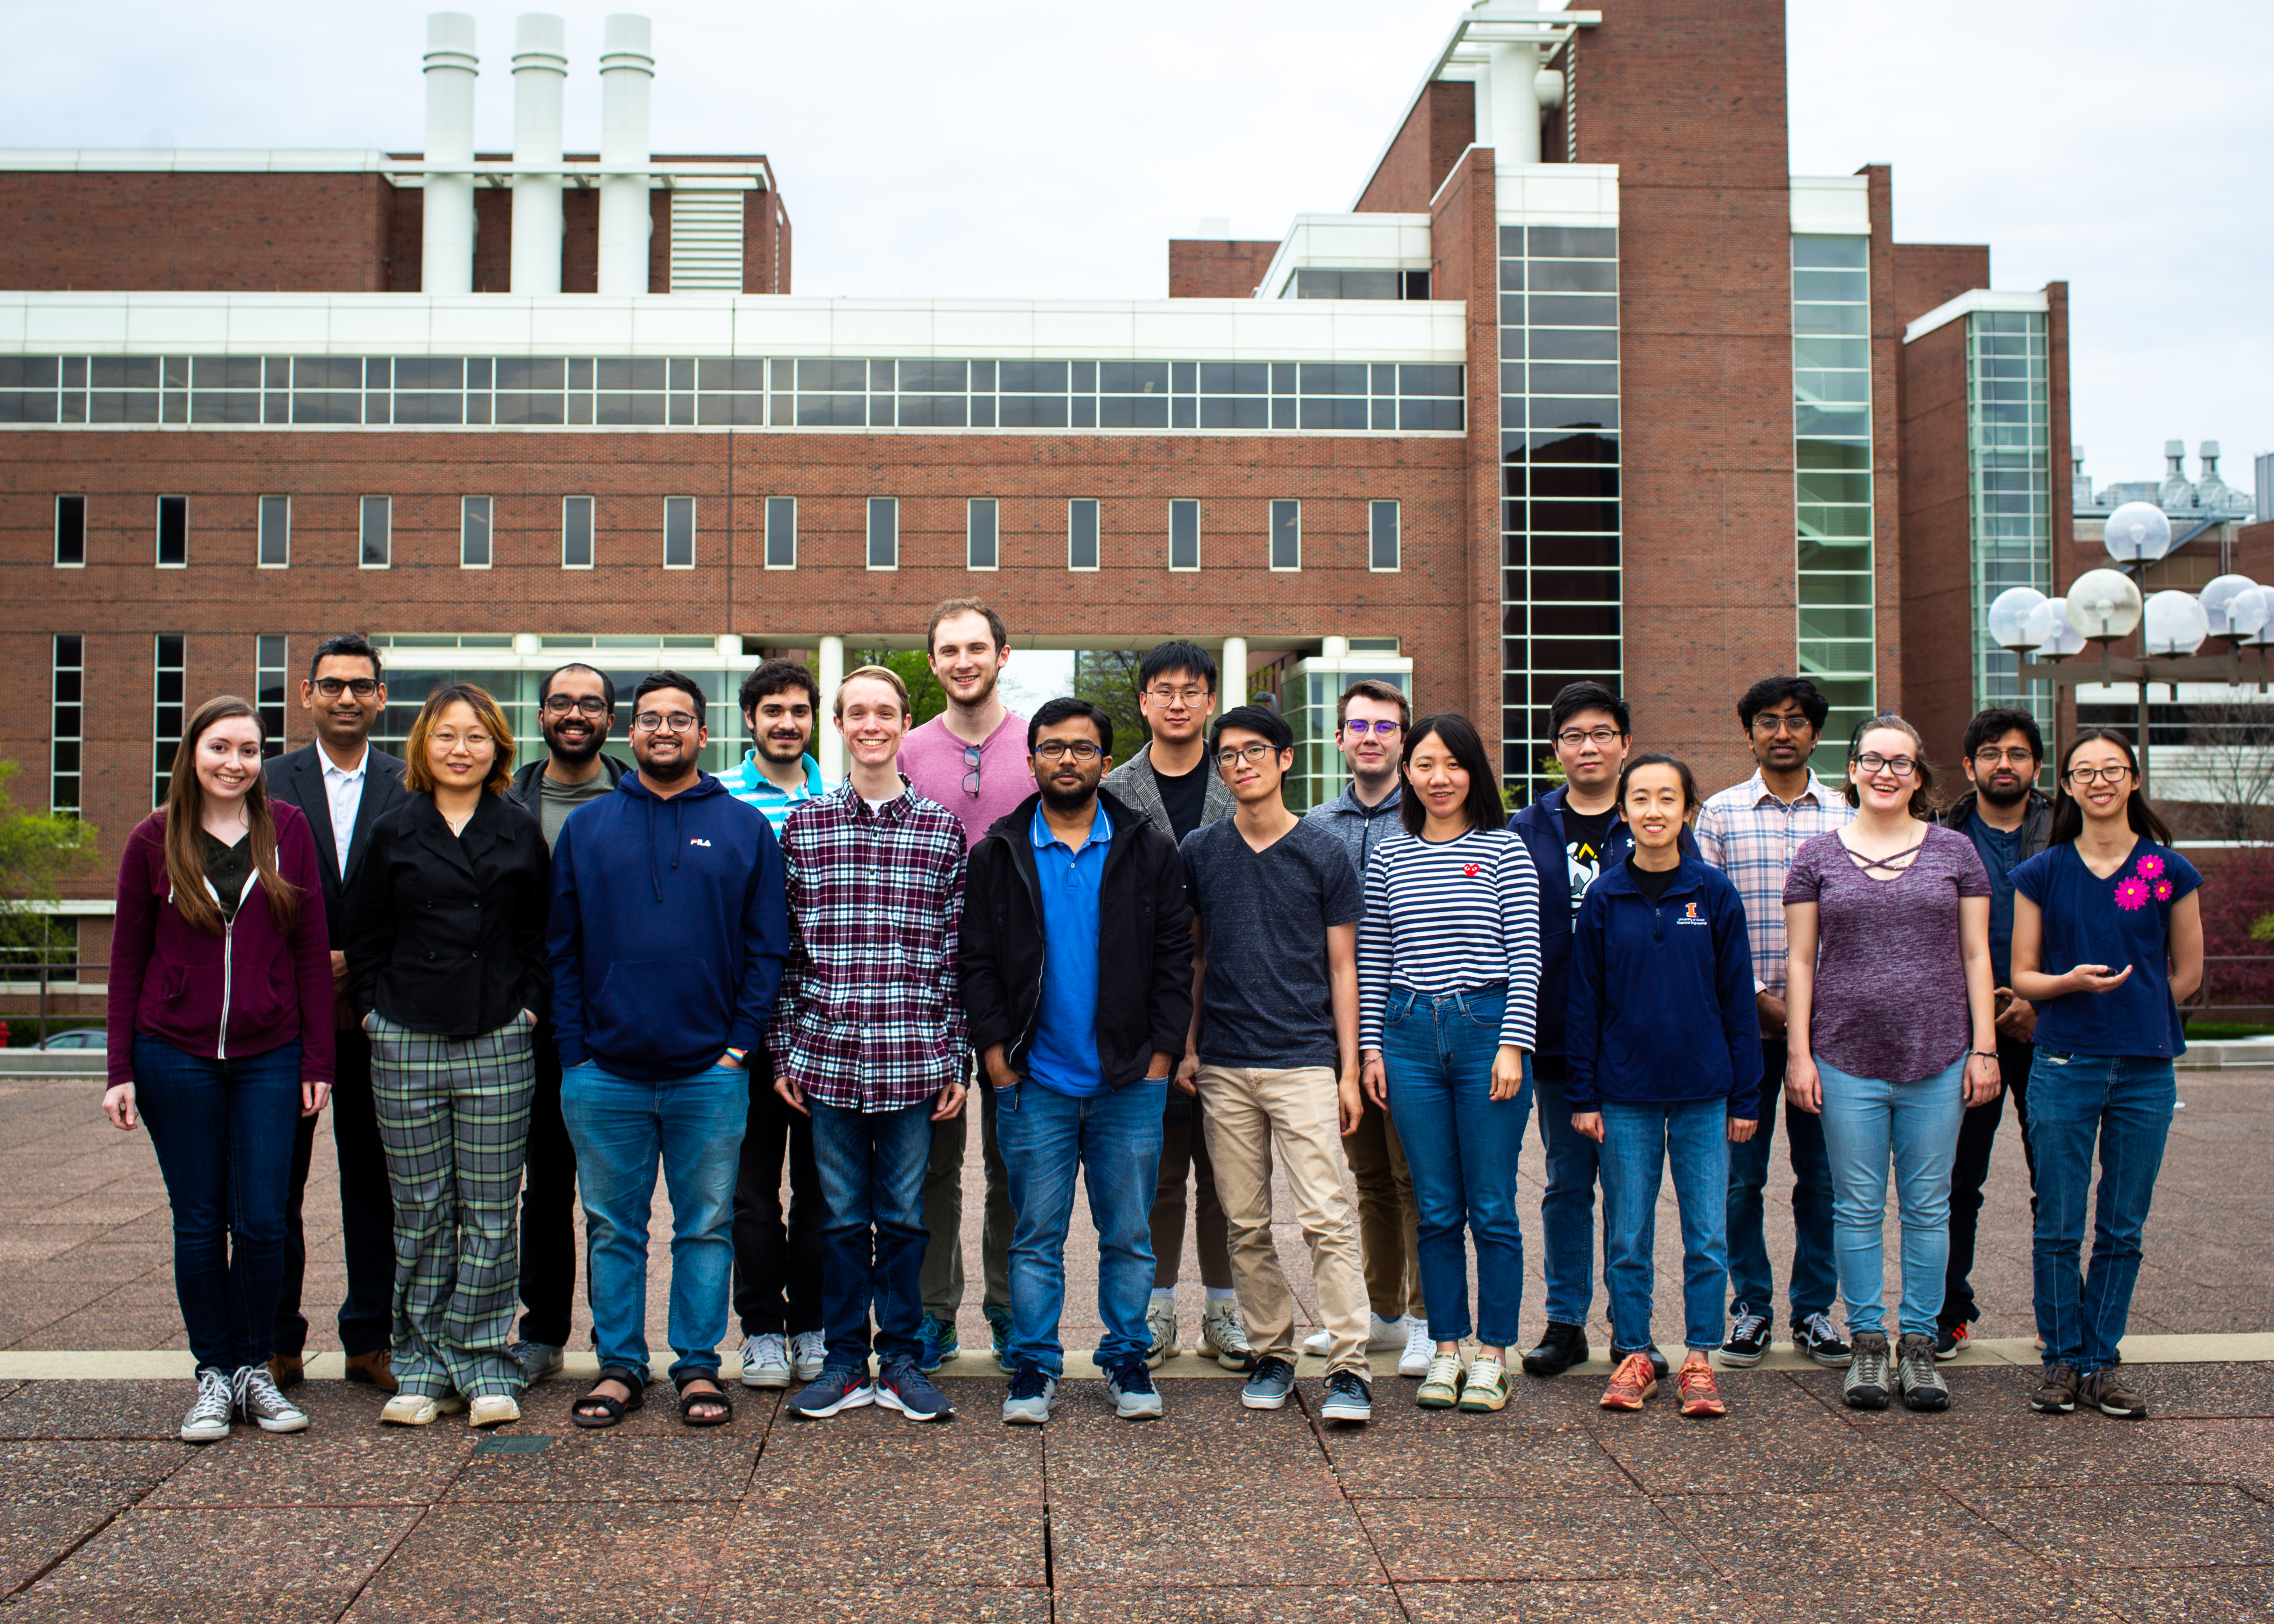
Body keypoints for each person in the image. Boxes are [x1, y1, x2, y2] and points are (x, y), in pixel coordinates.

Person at [547, 671, 788, 1430]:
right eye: (649, 719)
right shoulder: (588, 829)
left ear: (704, 734)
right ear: (631, 732)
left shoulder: (745, 826)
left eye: (679, 719)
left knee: (705, 1226)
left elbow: (767, 951)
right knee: (613, 1226)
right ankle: (620, 1363)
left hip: (707, 1075)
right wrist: (575, 1054)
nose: (663, 730)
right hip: (604, 1073)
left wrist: (738, 1048)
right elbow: (560, 949)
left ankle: (695, 1365)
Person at [106, 697, 334, 1442]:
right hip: (173, 1053)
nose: (234, 762)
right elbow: (126, 961)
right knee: (200, 1220)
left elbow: (309, 950)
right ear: (192, 754)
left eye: (249, 749)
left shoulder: (288, 830)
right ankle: (213, 1372)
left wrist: (317, 1057)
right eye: (220, 747)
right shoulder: (152, 839)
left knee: (265, 1219)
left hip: (269, 1054)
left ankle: (254, 1370)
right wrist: (119, 1067)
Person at [963, 698, 1194, 1424]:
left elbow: (1173, 960)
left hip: (1130, 1080)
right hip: (1035, 1080)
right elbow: (975, 964)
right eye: (1054, 747)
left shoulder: (1148, 848)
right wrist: (998, 1059)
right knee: (1035, 1235)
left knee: (1128, 1232)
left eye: (1085, 748)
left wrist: (1160, 1057)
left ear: (1104, 759)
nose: (1069, 759)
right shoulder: (999, 851)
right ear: (1030, 759)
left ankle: (1126, 1356)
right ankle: (1034, 1365)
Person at [349, 685, 551, 1428]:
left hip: (496, 1033)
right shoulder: (392, 827)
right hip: (406, 1035)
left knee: (494, 1211)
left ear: (497, 747)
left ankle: (482, 1360)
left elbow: (539, 933)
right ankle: (421, 1362)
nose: (460, 748)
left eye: (476, 736)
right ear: (423, 745)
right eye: (446, 735)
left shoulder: (519, 828)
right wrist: (374, 1012)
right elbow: (365, 933)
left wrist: (528, 1005)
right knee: (423, 1210)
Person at [1784, 715, 1998, 1413]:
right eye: (1872, 759)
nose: (1885, 772)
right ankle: (1869, 1342)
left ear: (1918, 774)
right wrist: (1800, 1055)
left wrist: (1985, 1047)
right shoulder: (1816, 856)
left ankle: (1920, 1345)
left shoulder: (1956, 852)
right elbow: (1801, 960)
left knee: (1931, 1205)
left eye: (1900, 762)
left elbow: (1976, 955)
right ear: (1851, 769)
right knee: (1856, 1205)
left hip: (1938, 1056)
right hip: (1843, 1057)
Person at [775, 666, 969, 1423]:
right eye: (857, 712)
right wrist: (785, 1047)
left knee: (906, 1216)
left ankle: (906, 1359)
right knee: (839, 1219)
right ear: (841, 723)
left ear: (903, 720)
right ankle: (845, 1361)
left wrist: (954, 1057)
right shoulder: (806, 826)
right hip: (826, 1058)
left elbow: (953, 958)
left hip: (914, 1060)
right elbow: (788, 952)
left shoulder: (940, 829)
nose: (871, 723)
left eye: (885, 711)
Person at [1181, 704, 1374, 1424]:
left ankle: (1350, 1365)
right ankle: (1271, 1352)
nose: (1241, 764)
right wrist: (1194, 1045)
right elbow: (1196, 955)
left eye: (1254, 750)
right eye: (1227, 755)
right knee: (1246, 1222)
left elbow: (1344, 965)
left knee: (1328, 1216)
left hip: (1303, 1061)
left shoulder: (1323, 850)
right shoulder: (1201, 850)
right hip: (1227, 1062)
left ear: (1286, 758)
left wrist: (1347, 1070)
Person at [2012, 728, 2204, 1419]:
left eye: (2112, 769)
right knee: (2059, 1221)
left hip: (2147, 1067)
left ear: (2133, 779)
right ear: (2065, 784)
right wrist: (2068, 983)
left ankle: (2102, 1359)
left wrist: (2135, 1008)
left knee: (2123, 1225)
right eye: (2084, 771)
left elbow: (2187, 973)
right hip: (2063, 1061)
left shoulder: (2168, 868)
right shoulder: (2044, 871)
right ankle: (2062, 1358)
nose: (2099, 781)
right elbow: (2023, 974)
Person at [1355, 713, 1539, 1413]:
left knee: (1491, 1205)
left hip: (1484, 1028)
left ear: (1474, 771)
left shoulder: (1503, 848)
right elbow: (1375, 955)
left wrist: (1514, 1043)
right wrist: (1372, 1046)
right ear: (1407, 771)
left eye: (1453, 763)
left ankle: (1493, 1352)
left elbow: (1528, 955)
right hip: (1406, 1034)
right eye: (1425, 764)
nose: (1439, 777)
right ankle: (1446, 1346)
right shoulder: (1390, 852)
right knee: (1433, 1206)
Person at [1567, 754, 1759, 1418]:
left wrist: (1746, 1097)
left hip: (1706, 1092)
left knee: (1707, 1232)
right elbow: (1584, 1002)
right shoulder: (1604, 896)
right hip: (1624, 1094)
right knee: (1628, 1231)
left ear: (1687, 810)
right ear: (1623, 811)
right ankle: (1636, 1352)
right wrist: (1584, 1095)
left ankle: (1701, 1356)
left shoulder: (1714, 894)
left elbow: (1739, 1003)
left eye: (1666, 798)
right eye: (1640, 798)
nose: (1653, 810)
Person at [263, 633, 407, 1393]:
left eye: (361, 685)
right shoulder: (266, 780)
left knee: (376, 1184)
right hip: (287, 1017)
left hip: (380, 1015)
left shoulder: (409, 780)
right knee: (274, 1183)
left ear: (381, 697)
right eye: (332, 685)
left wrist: (358, 960)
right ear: (308, 693)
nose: (347, 697)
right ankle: (278, 1337)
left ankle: (369, 1337)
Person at [1694, 676, 1849, 1368]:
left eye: (1796, 721)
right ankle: (1750, 1306)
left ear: (1816, 734)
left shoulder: (1850, 815)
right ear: (1748, 731)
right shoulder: (1719, 817)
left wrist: (1811, 1017)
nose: (1782, 732)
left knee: (1823, 1179)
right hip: (1744, 1031)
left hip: (1833, 1034)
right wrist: (1761, 998)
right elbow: (1708, 928)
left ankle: (1815, 1309)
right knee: (1739, 1180)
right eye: (1767, 720)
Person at [1104, 641, 1249, 1372]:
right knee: (1154, 1170)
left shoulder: (1241, 775)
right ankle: (1156, 1307)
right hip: (1145, 1006)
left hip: (1235, 1001)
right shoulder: (1116, 788)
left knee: (1228, 1171)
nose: (1178, 703)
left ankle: (1225, 1307)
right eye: (1163, 690)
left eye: (1192, 690)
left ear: (1209, 700)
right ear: (1144, 703)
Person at [896, 599, 1032, 1373]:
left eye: (975, 646)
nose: (962, 660)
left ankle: (1010, 1309)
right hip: (928, 985)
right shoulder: (910, 750)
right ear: (935, 662)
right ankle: (933, 1313)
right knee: (933, 1163)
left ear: (1002, 655)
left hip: (1019, 987)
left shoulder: (1038, 745)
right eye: (948, 649)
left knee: (1014, 1158)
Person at [499, 661, 633, 1383]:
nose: (574, 713)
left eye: (591, 702)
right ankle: (543, 1331)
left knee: (624, 1195)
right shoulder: (507, 800)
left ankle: (631, 1343)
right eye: (561, 702)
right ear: (542, 714)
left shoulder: (635, 796)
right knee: (545, 1187)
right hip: (531, 1024)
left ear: (611, 719)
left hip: (620, 1022)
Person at [1304, 679, 1429, 1378]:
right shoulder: (1316, 824)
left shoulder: (1428, 820)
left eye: (1387, 725)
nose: (1373, 736)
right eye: (1360, 724)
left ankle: (1422, 1316)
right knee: (1368, 1177)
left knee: (1417, 1177)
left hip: (1410, 1024)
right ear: (1340, 739)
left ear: (1403, 741)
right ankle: (1379, 1310)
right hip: (1335, 1029)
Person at [1510, 679, 1634, 1379]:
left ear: (1624, 743)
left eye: (1602, 734)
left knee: (1626, 1182)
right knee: (1565, 1180)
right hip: (1555, 1034)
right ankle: (1566, 1319)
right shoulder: (1528, 828)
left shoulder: (1651, 818)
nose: (1589, 747)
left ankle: (1631, 1319)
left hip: (1631, 1036)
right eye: (1574, 736)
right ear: (1556, 749)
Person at [716, 659, 830, 1390]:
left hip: (824, 1028)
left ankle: (813, 1323)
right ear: (750, 718)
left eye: (799, 710)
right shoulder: (719, 799)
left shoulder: (844, 798)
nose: (786, 722)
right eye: (772, 711)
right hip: (742, 1029)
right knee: (751, 1192)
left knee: (824, 1189)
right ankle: (760, 1327)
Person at [1935, 706, 2052, 1356]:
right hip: (1963, 1034)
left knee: (2054, 1178)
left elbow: (2089, 917)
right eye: (1989, 752)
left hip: (2050, 1027)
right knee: (1957, 1181)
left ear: (2036, 764)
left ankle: (2056, 1313)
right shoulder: (1940, 832)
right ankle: (1950, 1310)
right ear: (1969, 765)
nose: (2002, 763)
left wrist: (2040, 998)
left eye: (2015, 753)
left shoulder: (2065, 827)